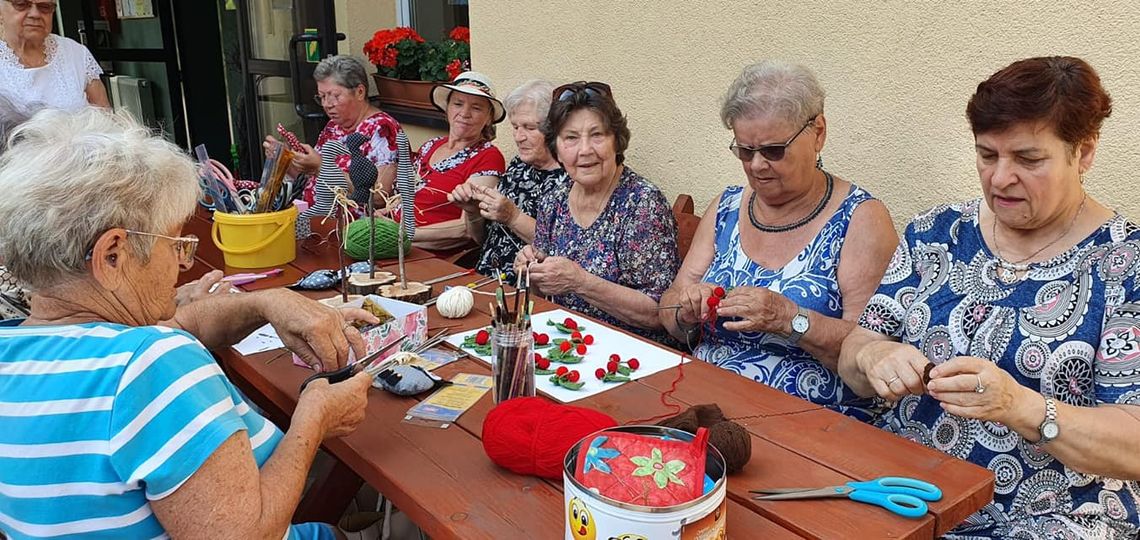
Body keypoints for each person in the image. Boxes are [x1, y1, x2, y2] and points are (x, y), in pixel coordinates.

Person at [0, 108, 377, 539]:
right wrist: (313, 421)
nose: (182, 264)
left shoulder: (20, 352)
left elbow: (177, 322)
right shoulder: (150, 365)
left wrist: (267, 303)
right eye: (176, 243)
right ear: (112, 256)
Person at [839, 57, 1140, 538]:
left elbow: (1134, 442)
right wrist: (874, 354)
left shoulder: (1126, 264)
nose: (1000, 178)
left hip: (1047, 513)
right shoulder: (936, 233)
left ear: (1083, 152)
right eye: (987, 154)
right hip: (901, 488)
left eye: (1028, 159)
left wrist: (1020, 406)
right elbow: (853, 353)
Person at [658, 61, 897, 421]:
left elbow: (869, 350)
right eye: (744, 151)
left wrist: (790, 319)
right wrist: (687, 309)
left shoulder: (861, 218)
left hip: (810, 421)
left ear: (818, 132)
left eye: (773, 150)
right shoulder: (726, 206)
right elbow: (669, 311)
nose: (756, 165)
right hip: (706, 404)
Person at [515, 81, 678, 343]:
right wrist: (531, 271)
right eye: (571, 138)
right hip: (563, 341)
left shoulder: (642, 204)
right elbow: (542, 294)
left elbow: (659, 314)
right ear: (555, 147)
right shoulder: (554, 199)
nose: (585, 150)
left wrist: (580, 282)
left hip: (628, 355)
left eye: (597, 135)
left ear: (617, 141)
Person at [263, 55, 412, 236]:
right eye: (322, 97)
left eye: (334, 96)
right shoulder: (334, 127)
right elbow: (313, 180)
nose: (327, 105)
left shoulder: (382, 129)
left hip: (356, 235)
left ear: (360, 92)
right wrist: (286, 161)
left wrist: (322, 167)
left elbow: (380, 197)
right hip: (317, 226)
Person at [449, 79, 563, 280]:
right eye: (515, 126)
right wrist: (472, 211)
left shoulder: (570, 179)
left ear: (554, 129)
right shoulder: (519, 165)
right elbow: (480, 239)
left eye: (529, 127)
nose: (519, 137)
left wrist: (512, 216)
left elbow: (563, 246)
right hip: (483, 280)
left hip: (526, 291)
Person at [402, 71, 506, 254]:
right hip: (395, 242)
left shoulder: (488, 157)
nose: (464, 113)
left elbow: (465, 229)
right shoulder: (431, 145)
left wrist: (404, 234)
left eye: (476, 108)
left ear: (488, 118)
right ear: (447, 108)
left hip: (431, 255)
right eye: (458, 104)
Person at [0, 0, 109, 110]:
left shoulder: (75, 53)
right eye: (21, 5)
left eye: (45, 7)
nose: (35, 14)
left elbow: (105, 114)